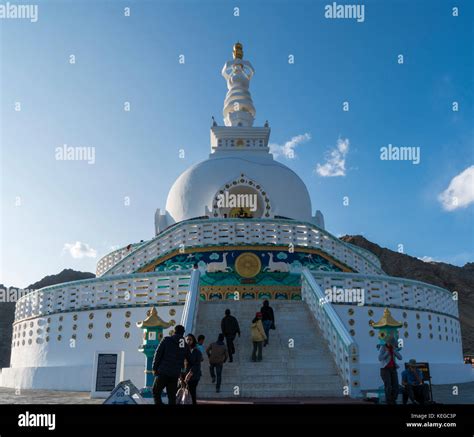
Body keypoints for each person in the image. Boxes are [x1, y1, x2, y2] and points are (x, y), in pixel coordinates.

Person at [152, 324, 191, 405]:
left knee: (156, 391)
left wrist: (154, 368)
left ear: (174, 331)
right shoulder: (184, 345)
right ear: (183, 333)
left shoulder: (166, 340)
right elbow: (190, 359)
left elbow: (158, 354)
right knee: (171, 396)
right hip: (174, 374)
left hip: (163, 372)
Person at [378, 333, 402, 405]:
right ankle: (388, 400)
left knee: (396, 385)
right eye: (391, 343)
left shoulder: (393, 348)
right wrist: (387, 352)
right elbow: (380, 358)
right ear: (387, 342)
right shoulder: (382, 348)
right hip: (385, 369)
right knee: (388, 385)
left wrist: (394, 351)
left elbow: (400, 358)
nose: (391, 345)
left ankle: (393, 399)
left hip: (393, 368)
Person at [183, 334, 202, 405]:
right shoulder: (183, 350)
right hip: (183, 375)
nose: (188, 341)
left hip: (194, 375)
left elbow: (197, 364)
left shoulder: (197, 352)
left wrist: (190, 374)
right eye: (187, 339)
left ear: (193, 341)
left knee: (192, 392)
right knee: (182, 392)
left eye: (190, 339)